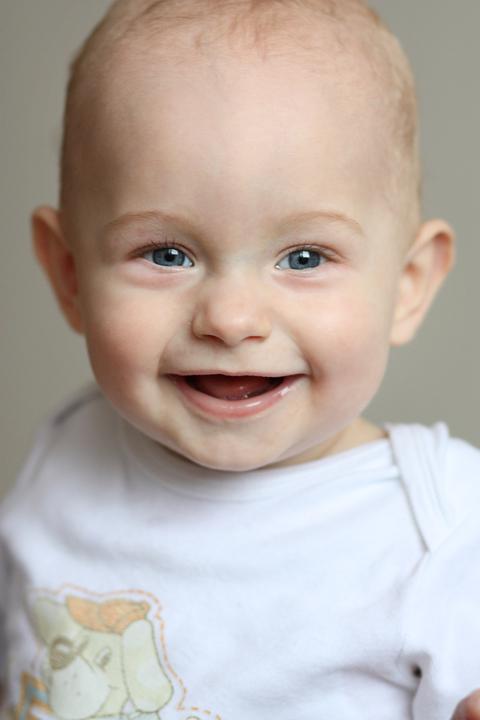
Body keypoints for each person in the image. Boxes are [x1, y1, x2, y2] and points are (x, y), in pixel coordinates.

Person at [1, 0, 479, 717]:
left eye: (305, 257)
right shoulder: (70, 446)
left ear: (407, 286)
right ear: (69, 275)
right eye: (166, 254)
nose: (230, 319)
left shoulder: (446, 533)